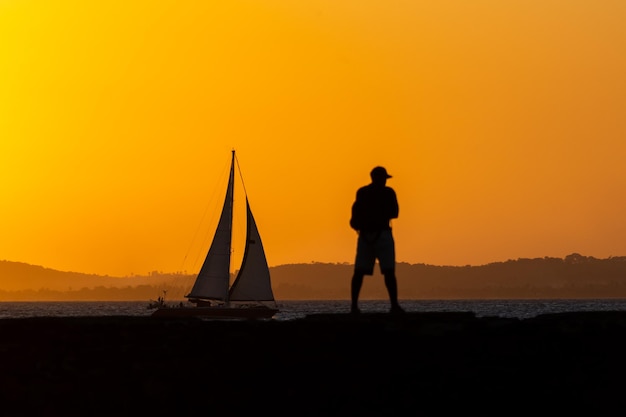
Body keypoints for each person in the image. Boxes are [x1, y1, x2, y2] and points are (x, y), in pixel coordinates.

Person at [350, 166, 405, 315]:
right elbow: (395, 213)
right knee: (387, 272)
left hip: (367, 236)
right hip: (381, 235)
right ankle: (393, 306)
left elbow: (354, 217)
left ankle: (354, 306)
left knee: (361, 272)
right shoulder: (388, 193)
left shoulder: (363, 193)